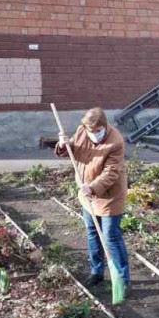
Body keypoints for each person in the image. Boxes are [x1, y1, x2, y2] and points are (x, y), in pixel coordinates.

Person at [55, 107, 130, 290]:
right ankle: (96, 272)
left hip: (109, 196)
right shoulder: (82, 131)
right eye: (91, 130)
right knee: (92, 233)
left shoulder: (115, 141)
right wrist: (64, 144)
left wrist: (93, 187)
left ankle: (122, 279)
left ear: (104, 125)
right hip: (86, 193)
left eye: (97, 131)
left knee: (111, 236)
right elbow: (72, 151)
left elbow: (111, 172)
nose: (94, 134)